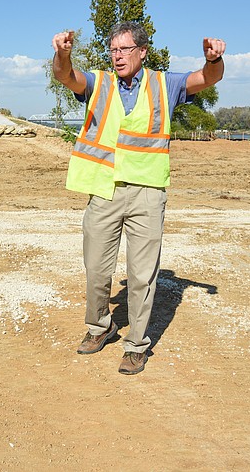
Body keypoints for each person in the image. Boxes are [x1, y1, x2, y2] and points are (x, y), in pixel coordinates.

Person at [52, 21, 225, 375]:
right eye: (113, 50)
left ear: (142, 52)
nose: (117, 56)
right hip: (105, 189)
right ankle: (101, 327)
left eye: (124, 49)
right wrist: (62, 55)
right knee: (96, 268)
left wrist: (214, 60)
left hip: (147, 193)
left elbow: (207, 79)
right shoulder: (99, 83)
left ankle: (137, 346)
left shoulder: (165, 83)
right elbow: (65, 76)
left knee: (142, 274)